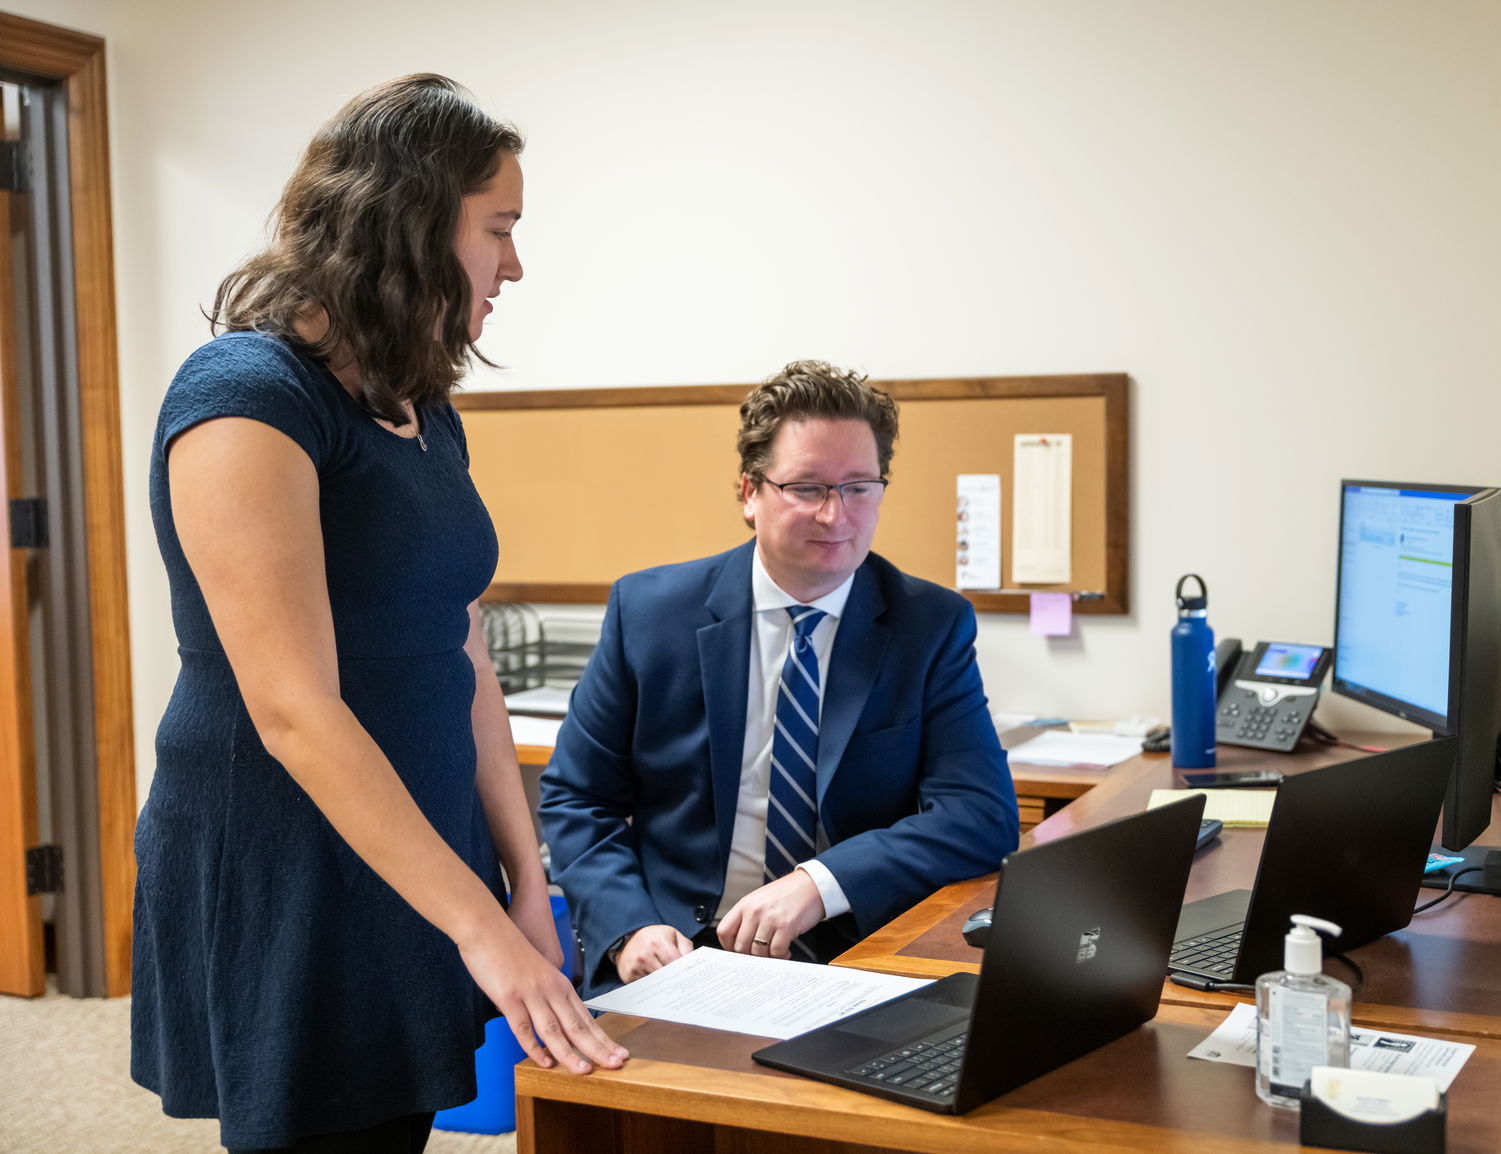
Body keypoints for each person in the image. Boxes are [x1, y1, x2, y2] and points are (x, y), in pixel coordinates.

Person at [131, 75, 624, 1154]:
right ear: (410, 218)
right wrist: (478, 923)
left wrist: (524, 884)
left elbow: (463, 647)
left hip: (419, 831)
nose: (515, 264)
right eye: (499, 229)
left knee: (398, 1124)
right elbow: (294, 707)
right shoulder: (245, 396)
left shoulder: (420, 406)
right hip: (288, 846)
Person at [539, 360, 1021, 994]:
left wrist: (818, 884)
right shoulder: (650, 614)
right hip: (678, 951)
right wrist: (628, 929)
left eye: (858, 487)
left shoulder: (928, 626)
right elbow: (579, 798)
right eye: (807, 487)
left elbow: (981, 814)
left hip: (856, 948)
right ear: (749, 493)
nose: (835, 515)